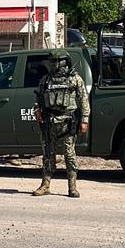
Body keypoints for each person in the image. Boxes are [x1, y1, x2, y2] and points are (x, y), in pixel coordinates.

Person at [32, 49, 90, 198]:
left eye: (57, 61)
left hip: (67, 122)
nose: (54, 64)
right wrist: (37, 110)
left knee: (69, 155)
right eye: (52, 61)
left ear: (65, 62)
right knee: (48, 154)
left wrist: (84, 120)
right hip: (49, 122)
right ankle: (45, 185)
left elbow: (83, 100)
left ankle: (72, 187)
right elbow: (38, 98)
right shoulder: (46, 80)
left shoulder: (75, 79)